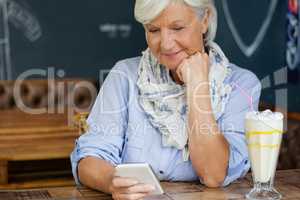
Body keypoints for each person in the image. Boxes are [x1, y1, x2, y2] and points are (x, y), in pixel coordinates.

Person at [70, 0, 262, 199]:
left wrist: (198, 87)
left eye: (177, 28)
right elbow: (89, 159)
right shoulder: (124, 76)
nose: (166, 43)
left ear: (205, 20)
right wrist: (111, 181)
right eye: (153, 30)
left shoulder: (242, 86)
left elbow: (213, 175)